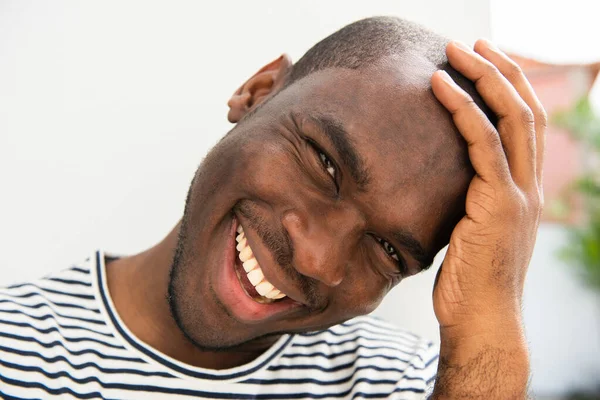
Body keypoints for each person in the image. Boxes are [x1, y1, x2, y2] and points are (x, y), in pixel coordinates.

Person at [0, 16, 545, 399]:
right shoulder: (16, 350)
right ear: (258, 90)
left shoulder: (413, 384)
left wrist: (491, 322)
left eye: (387, 250)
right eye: (326, 165)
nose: (317, 260)